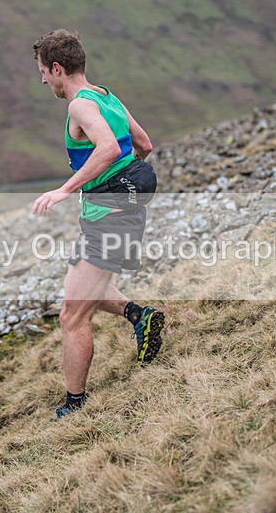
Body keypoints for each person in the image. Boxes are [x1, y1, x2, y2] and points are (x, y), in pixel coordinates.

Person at [31, 29, 166, 419]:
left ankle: (75, 404)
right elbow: (143, 145)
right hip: (114, 211)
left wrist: (66, 189)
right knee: (81, 287)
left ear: (57, 68)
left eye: (43, 71)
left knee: (72, 316)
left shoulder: (78, 107)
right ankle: (140, 316)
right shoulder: (106, 96)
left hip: (109, 214)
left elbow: (107, 148)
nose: (42, 80)